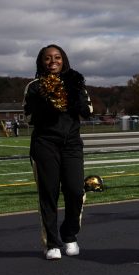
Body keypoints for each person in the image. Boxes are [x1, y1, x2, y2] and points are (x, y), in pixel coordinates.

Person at [23, 44, 93, 260]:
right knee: (49, 193)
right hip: (45, 144)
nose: (52, 61)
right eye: (47, 58)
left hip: (71, 144)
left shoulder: (76, 82)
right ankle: (51, 243)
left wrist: (74, 98)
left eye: (57, 57)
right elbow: (27, 118)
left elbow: (88, 111)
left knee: (75, 191)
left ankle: (69, 234)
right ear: (41, 62)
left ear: (64, 60)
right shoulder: (34, 86)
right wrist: (46, 105)